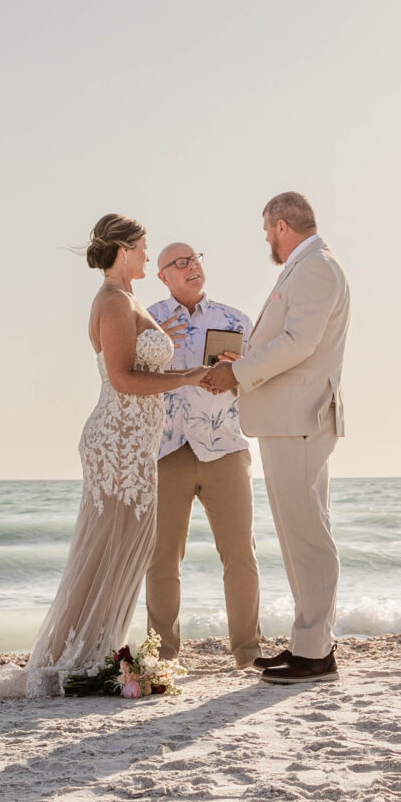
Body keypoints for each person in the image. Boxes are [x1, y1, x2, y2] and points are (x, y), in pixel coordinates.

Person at [0, 214, 208, 699]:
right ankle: (79, 660)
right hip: (117, 442)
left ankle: (100, 653)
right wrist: (186, 377)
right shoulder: (111, 301)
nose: (149, 257)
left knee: (128, 543)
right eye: (145, 247)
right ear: (124, 248)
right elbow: (124, 378)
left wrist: (164, 336)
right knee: (112, 543)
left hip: (134, 440)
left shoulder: (125, 300)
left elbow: (137, 357)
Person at [202, 190, 351, 683]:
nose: (267, 238)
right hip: (289, 419)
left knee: (307, 533)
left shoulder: (315, 268)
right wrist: (239, 361)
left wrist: (239, 373)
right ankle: (308, 643)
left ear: (283, 225)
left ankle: (317, 653)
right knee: (297, 533)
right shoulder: (306, 268)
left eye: (268, 229)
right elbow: (285, 341)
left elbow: (299, 343)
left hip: (299, 419)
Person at [144, 242, 262, 670]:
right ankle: (163, 656)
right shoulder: (149, 320)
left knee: (240, 555)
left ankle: (248, 652)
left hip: (226, 449)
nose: (191, 266)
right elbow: (131, 378)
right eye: (180, 262)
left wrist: (238, 372)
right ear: (162, 276)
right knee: (161, 558)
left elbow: (257, 380)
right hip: (167, 449)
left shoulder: (236, 320)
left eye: (195, 259)